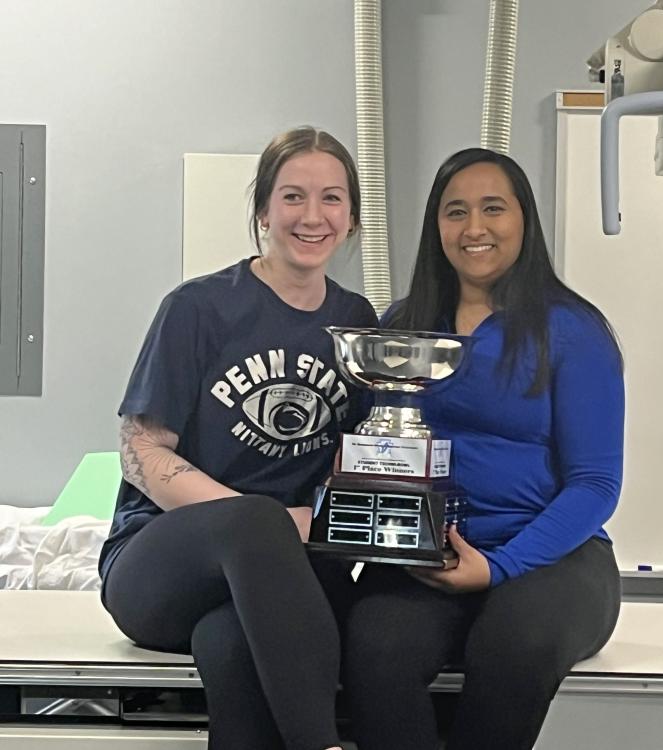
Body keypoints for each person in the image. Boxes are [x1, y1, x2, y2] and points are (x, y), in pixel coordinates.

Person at [98, 126, 378, 750]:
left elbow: (356, 456)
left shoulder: (358, 324)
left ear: (353, 217)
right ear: (262, 211)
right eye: (292, 197)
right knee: (255, 522)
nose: (313, 216)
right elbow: (141, 452)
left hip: (282, 584)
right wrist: (274, 521)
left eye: (332, 198)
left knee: (229, 649)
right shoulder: (197, 309)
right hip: (163, 567)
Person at [343, 148, 625, 750]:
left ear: (524, 220)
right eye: (455, 212)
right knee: (372, 646)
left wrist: (500, 566)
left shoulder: (574, 331)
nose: (474, 228)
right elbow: (381, 461)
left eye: (492, 208)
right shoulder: (400, 328)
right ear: (435, 228)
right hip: (428, 557)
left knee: (510, 648)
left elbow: (596, 485)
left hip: (555, 559)